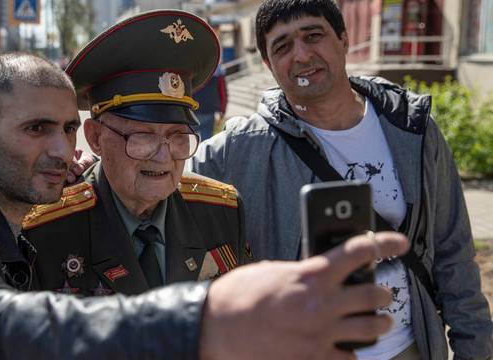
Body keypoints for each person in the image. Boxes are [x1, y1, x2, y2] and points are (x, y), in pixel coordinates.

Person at [0, 51, 409, 360]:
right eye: (35, 128)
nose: (58, 149)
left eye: (66, 128)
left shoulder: (12, 203)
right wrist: (208, 321)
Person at [189, 0, 493, 359]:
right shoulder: (242, 147)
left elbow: (452, 254)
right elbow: (163, 183)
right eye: (282, 46)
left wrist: (475, 350)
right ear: (269, 65)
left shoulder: (412, 129)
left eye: (313, 36)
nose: (301, 55)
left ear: (344, 40)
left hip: (406, 348)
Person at [23, 11, 249, 296]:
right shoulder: (44, 228)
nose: (164, 158)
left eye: (177, 137)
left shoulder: (222, 211)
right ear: (95, 137)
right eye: (143, 138)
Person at [192, 64, 227, 140]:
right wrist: (222, 110)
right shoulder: (217, 69)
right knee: (206, 141)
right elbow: (222, 91)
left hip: (193, 109)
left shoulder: (191, 65)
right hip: (209, 109)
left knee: (192, 142)